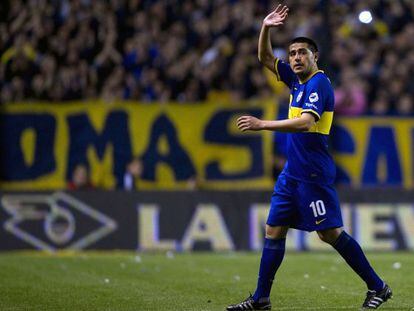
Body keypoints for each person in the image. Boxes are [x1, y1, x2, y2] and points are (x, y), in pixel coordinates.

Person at [226, 5, 392, 311]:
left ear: (314, 57)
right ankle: (261, 298)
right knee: (274, 229)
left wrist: (263, 125)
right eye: (291, 53)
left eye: (302, 52)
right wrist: (265, 27)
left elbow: (305, 122)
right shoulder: (295, 81)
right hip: (292, 173)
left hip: (313, 173)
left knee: (330, 234)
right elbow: (263, 58)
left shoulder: (319, 83)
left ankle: (378, 286)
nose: (296, 58)